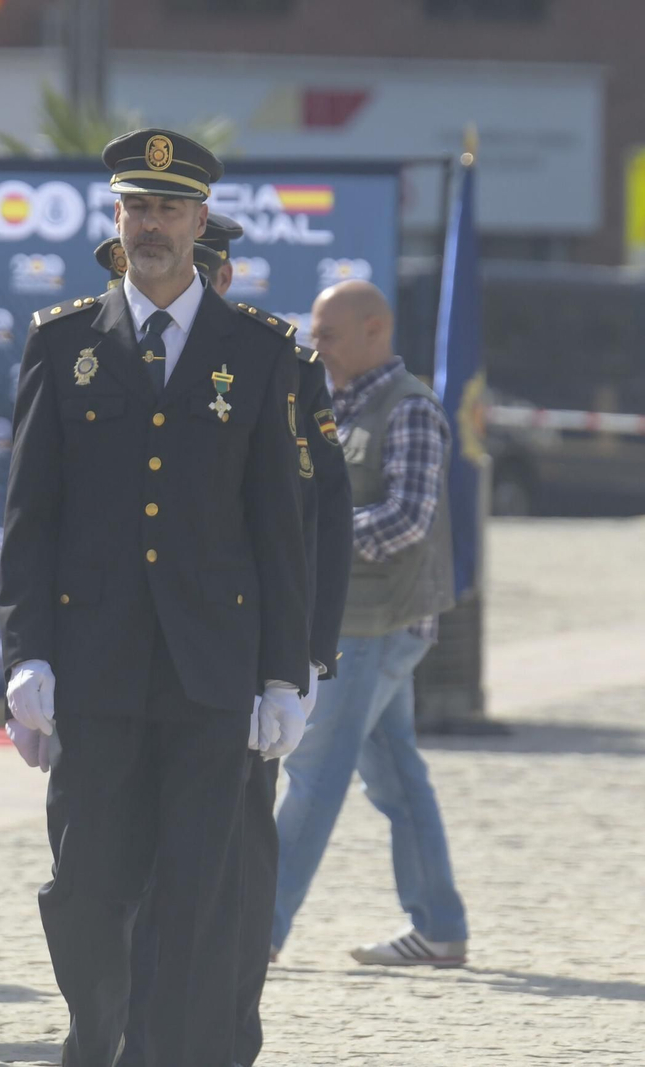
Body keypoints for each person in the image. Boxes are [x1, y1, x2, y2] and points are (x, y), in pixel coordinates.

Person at [0, 129, 310, 1067]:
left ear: (201, 219)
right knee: (86, 890)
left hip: (211, 673)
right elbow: (30, 515)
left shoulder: (258, 351)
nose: (152, 227)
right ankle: (99, 1038)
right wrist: (28, 654)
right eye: (136, 208)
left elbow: (279, 529)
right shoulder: (62, 343)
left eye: (169, 209)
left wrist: (285, 673)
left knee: (197, 896)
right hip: (96, 671)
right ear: (117, 217)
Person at [105, 213, 355, 1067]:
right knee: (139, 876)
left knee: (233, 878)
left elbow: (314, 519)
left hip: (244, 664)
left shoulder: (279, 364)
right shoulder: (115, 362)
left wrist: (306, 661)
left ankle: (221, 1041)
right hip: (149, 664)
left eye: (211, 275)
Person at [274, 279, 469, 967]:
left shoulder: (408, 408)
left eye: (327, 333)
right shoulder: (341, 402)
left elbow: (408, 520)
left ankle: (254, 931)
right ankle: (440, 926)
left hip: (376, 624)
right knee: (394, 776)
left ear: (374, 330)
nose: (315, 345)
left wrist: (313, 532)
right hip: (364, 619)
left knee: (314, 774)